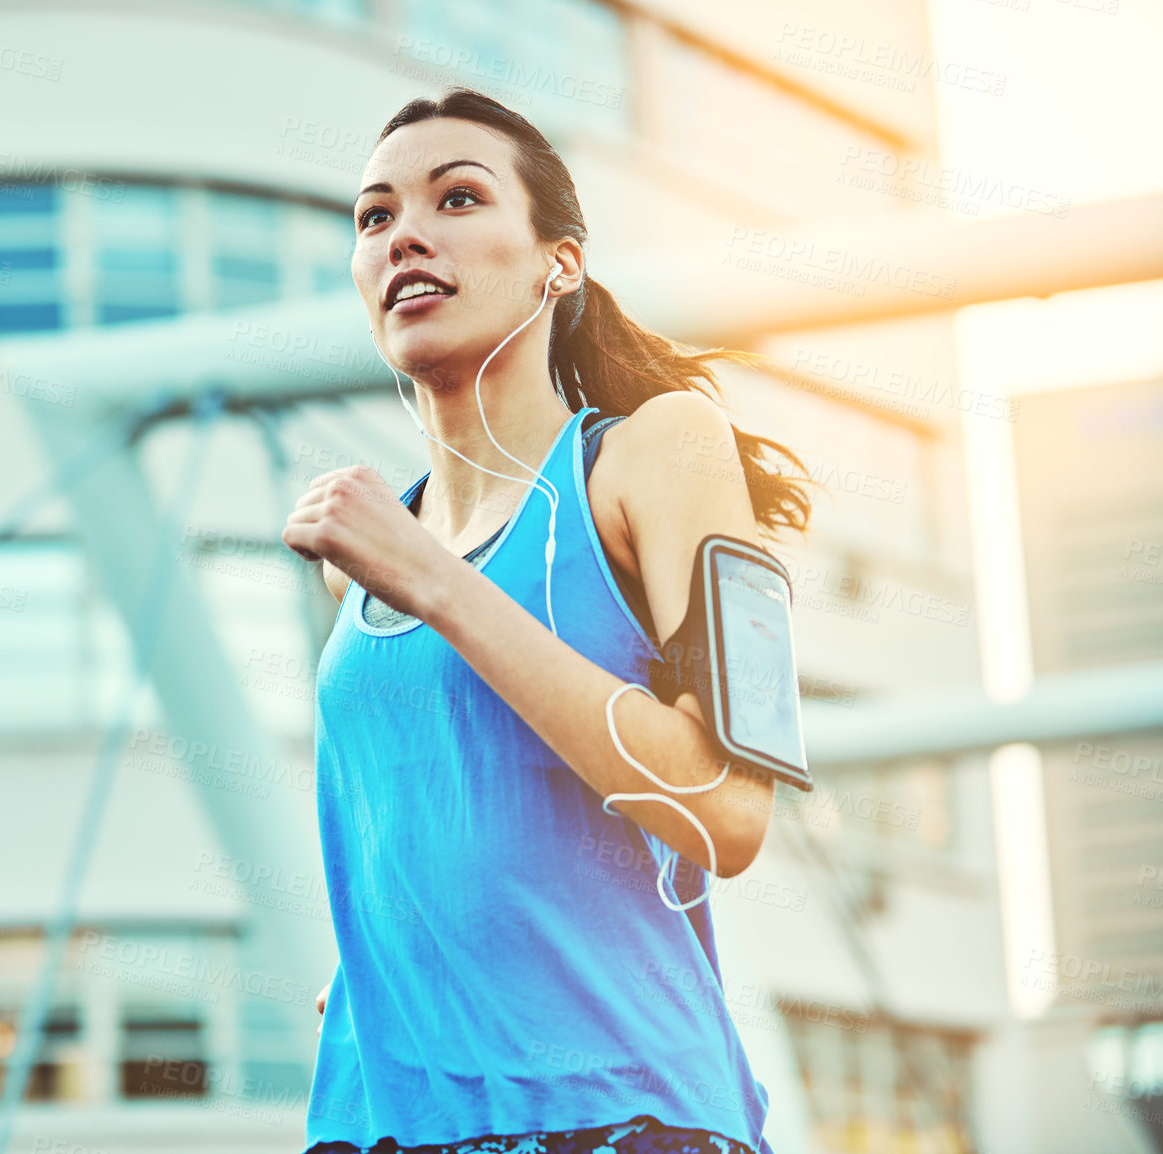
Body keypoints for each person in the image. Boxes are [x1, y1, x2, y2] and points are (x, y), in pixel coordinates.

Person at [280, 86, 815, 1154]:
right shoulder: (364, 570)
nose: (406, 236)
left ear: (556, 262)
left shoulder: (655, 450)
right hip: (380, 1122)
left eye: (458, 198)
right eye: (373, 216)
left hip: (620, 1111)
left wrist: (439, 582)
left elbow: (727, 815)